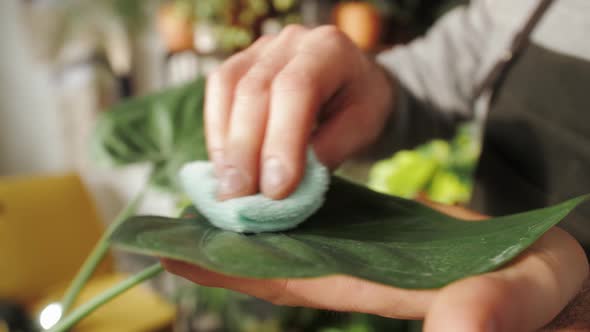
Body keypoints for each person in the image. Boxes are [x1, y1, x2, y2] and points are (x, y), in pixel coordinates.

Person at [163, 1, 590, 330]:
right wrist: (376, 88)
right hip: (488, 257)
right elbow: (471, 50)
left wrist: (581, 305)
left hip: (512, 274)